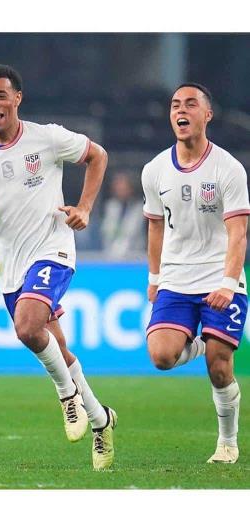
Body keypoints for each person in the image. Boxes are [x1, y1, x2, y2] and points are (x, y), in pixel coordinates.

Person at [0, 64, 115, 470]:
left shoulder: (48, 137)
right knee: (57, 346)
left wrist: (86, 208)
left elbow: (98, 156)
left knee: (26, 326)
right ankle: (101, 419)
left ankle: (65, 396)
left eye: (1, 96)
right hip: (9, 265)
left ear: (17, 98)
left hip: (52, 248)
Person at [142, 83, 249, 464]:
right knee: (161, 357)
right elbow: (155, 226)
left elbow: (238, 231)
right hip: (175, 279)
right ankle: (203, 342)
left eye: (190, 104)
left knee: (220, 367)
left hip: (220, 277)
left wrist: (227, 283)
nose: (180, 111)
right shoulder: (154, 170)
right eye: (175, 105)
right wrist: (154, 277)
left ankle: (227, 441)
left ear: (207, 115)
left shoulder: (228, 169)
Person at [100, 171, 146, 258]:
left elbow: (132, 231)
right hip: (110, 255)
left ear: (130, 188)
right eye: (117, 186)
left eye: (123, 186)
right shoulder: (110, 206)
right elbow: (107, 230)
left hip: (135, 255)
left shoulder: (140, 208)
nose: (120, 189)